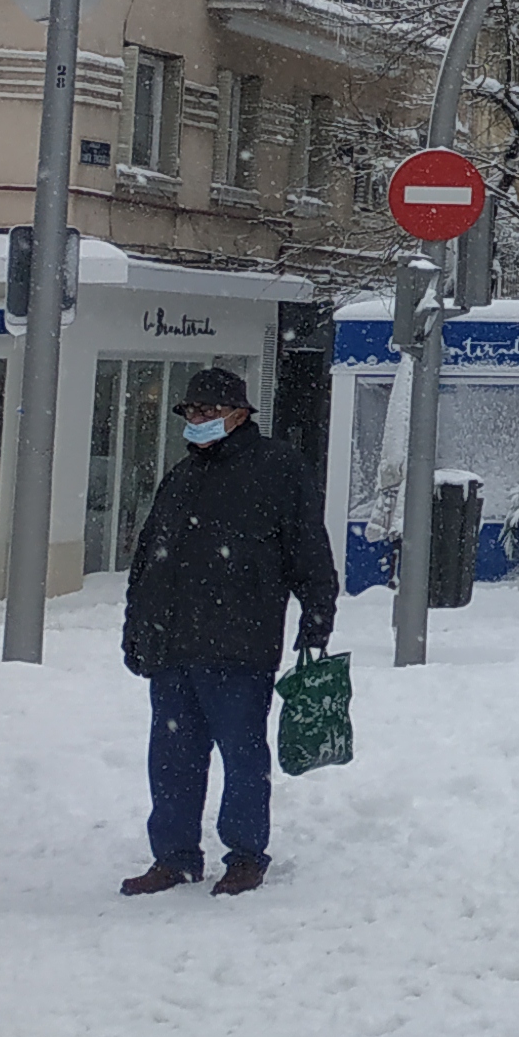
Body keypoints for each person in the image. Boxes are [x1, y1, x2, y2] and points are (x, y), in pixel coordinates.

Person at [118, 366, 336, 898]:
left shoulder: (277, 469)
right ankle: (173, 856)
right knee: (171, 757)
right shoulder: (182, 476)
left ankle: (245, 853)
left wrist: (316, 614)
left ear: (240, 415)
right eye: (191, 412)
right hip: (172, 643)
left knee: (242, 754)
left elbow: (308, 546)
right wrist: (137, 626)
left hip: (239, 642)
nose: (197, 420)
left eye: (209, 412)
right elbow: (150, 558)